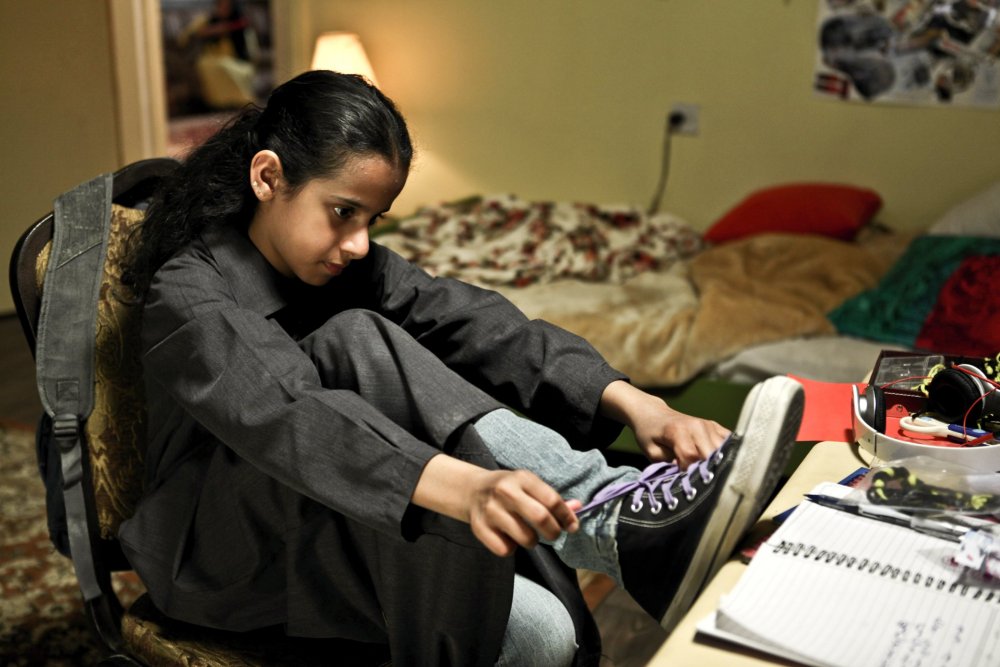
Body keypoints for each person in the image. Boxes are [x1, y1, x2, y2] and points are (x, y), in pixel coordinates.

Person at [118, 70, 803, 666]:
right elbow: (285, 412)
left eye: (375, 219)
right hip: (219, 551)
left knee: (549, 634)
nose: (359, 243)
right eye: (342, 213)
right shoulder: (191, 291)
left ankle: (620, 515)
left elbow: (477, 321)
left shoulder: (341, 266)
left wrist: (634, 401)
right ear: (268, 177)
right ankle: (622, 523)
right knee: (354, 339)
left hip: (341, 502)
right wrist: (461, 487)